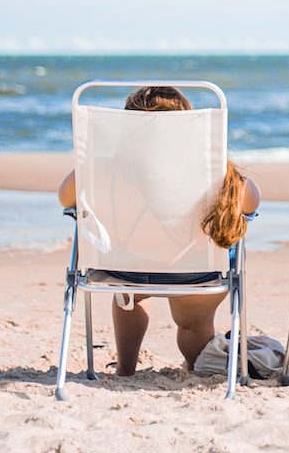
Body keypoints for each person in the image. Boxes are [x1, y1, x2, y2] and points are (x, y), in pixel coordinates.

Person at [58, 85, 260, 376]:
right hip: (195, 273)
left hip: (125, 269)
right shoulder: (213, 169)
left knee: (127, 298)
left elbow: (66, 199)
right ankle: (193, 366)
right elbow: (251, 202)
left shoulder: (105, 168)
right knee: (193, 323)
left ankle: (126, 369)